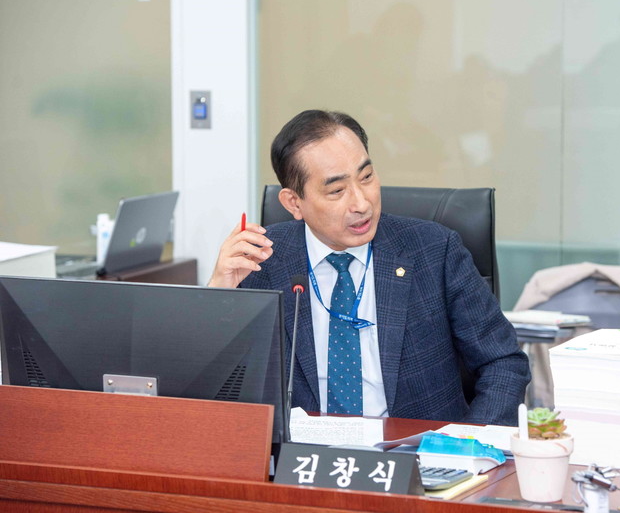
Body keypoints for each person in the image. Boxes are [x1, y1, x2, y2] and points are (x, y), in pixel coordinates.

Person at [208, 109, 529, 425]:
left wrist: (466, 445)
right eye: (336, 191)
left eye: (367, 177)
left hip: (419, 453)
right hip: (302, 454)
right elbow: (216, 388)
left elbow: (503, 363)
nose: (361, 203)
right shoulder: (261, 262)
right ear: (294, 203)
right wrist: (219, 295)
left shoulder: (433, 250)